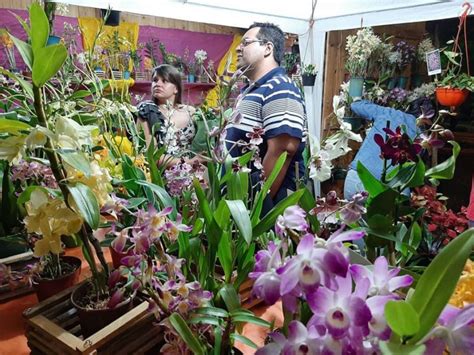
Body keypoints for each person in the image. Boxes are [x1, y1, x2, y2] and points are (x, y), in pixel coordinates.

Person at [226, 22, 307, 210]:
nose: (238, 48)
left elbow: (283, 149)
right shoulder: (251, 90)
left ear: (267, 48)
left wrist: (258, 207)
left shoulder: (280, 87)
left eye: (245, 42)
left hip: (260, 208)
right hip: (240, 199)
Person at [343, 100, 419, 199]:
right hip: (393, 189)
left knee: (349, 213)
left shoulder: (387, 113)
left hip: (359, 178)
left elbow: (355, 105)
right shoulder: (422, 135)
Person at [136, 64, 198, 167]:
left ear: (176, 89)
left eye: (164, 81)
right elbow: (152, 156)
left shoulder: (190, 111)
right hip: (160, 176)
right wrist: (190, 162)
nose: (158, 84)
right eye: (155, 80)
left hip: (194, 174)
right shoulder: (147, 110)